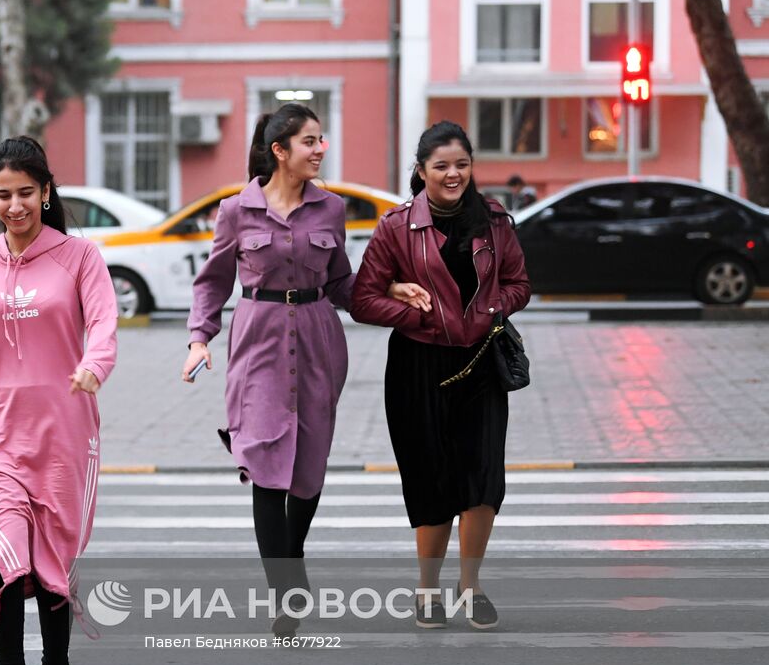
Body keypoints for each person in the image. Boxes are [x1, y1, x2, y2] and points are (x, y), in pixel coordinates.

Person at [0, 136, 118, 665]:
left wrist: (94, 368)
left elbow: (103, 323)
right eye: (3, 195)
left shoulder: (79, 257)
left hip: (65, 435)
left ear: (46, 193)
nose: (15, 205)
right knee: (5, 562)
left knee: (50, 564)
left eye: (26, 193)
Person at [181, 103, 355, 637]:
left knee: (308, 464)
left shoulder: (332, 209)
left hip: (319, 338)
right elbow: (212, 282)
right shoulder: (236, 210)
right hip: (257, 341)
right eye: (309, 141)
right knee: (262, 461)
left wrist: (394, 297)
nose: (320, 149)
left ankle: (292, 558)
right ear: (280, 151)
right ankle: (286, 589)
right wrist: (198, 339)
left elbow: (344, 282)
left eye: (321, 139)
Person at [351, 120, 531, 630]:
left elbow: (519, 282)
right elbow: (363, 298)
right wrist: (415, 314)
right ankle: (427, 590)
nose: (453, 175)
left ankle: (470, 587)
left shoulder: (495, 222)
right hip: (417, 366)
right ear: (421, 170)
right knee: (429, 478)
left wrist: (497, 304)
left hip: (480, 363)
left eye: (462, 165)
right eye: (442, 166)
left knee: (481, 478)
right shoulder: (396, 227)